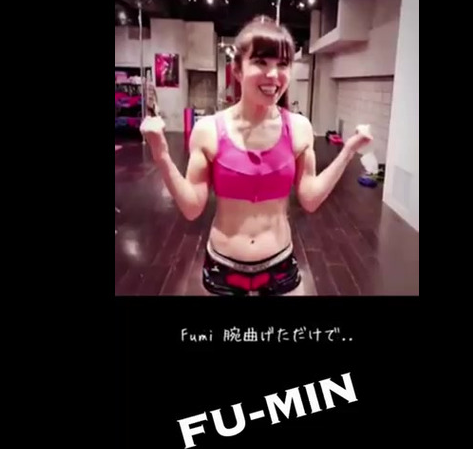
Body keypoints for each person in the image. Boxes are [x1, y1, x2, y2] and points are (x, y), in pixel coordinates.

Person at [140, 15, 372, 296]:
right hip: (223, 266)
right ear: (237, 70)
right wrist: (161, 154)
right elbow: (192, 208)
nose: (273, 75)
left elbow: (310, 199)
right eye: (261, 62)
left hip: (280, 264)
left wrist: (348, 150)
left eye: (282, 64)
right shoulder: (209, 130)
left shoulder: (299, 128)